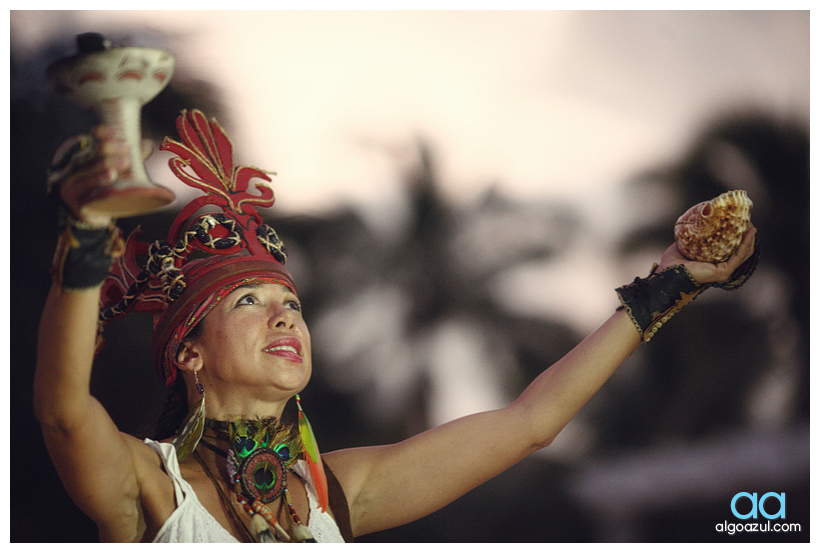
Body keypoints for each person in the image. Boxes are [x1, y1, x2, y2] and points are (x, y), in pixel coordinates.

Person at [34, 110, 759, 543]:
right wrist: (87, 239)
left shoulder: (339, 495)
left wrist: (672, 281)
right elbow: (66, 412)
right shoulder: (149, 489)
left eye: (288, 300)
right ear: (188, 350)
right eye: (248, 301)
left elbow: (530, 421)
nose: (285, 312)